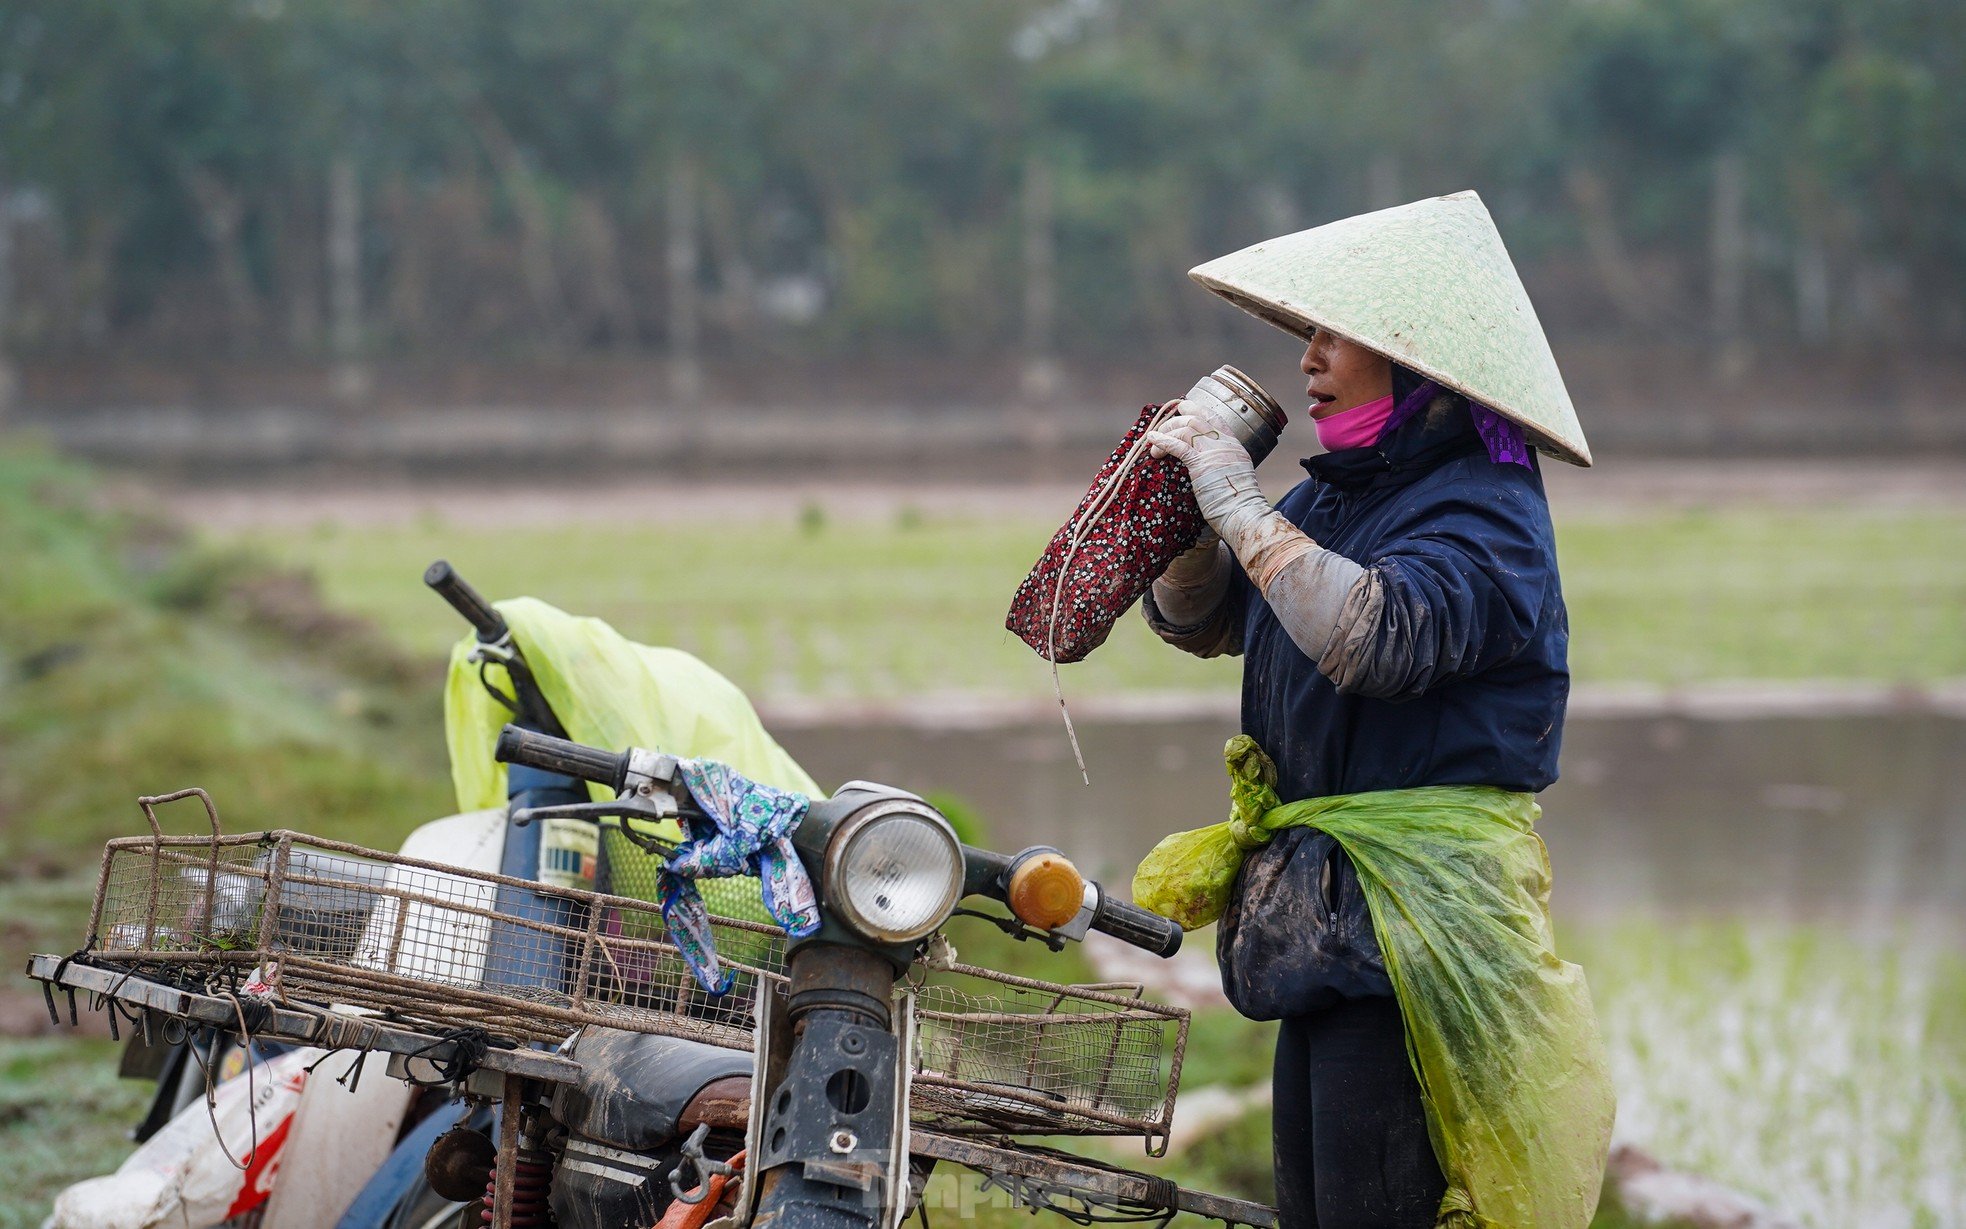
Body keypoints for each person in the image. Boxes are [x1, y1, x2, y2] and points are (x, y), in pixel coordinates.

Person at [1137, 192, 1612, 1228]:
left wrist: (1235, 498)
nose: (1308, 359)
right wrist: (1183, 523)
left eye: (1332, 335)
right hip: (1324, 922)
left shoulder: (1481, 503)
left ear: (1416, 357)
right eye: (1307, 333)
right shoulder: (1338, 493)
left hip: (1413, 931)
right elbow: (1219, 617)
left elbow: (1372, 636)